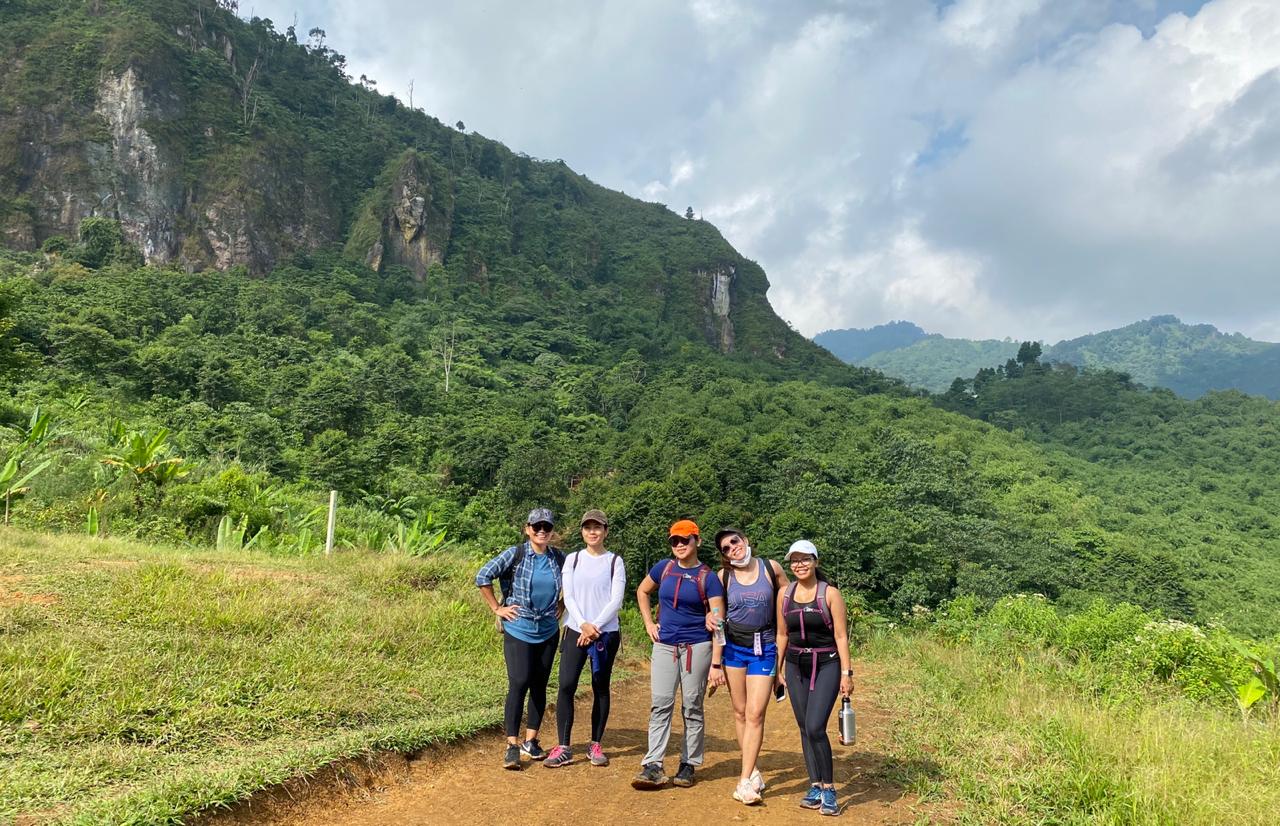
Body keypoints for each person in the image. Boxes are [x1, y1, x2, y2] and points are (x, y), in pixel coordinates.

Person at [631, 519, 727, 790]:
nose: (680, 544)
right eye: (675, 540)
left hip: (697, 647)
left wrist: (716, 663)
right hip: (665, 646)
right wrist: (649, 623)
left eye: (685, 539)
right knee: (660, 704)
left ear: (697, 541)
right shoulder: (664, 568)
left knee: (692, 705)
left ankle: (688, 763)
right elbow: (642, 591)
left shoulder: (708, 578)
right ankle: (653, 764)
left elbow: (718, 622)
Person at [475, 507, 566, 770]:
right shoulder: (515, 554)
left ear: (552, 531)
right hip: (519, 628)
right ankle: (512, 745)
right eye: (536, 527)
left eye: (546, 527)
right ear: (527, 529)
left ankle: (531, 741)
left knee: (539, 685)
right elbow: (482, 575)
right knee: (519, 682)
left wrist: (564, 604)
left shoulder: (559, 558)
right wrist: (497, 608)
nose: (541, 531)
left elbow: (576, 583)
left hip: (548, 629)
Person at [775, 539, 853, 817]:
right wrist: (776, 671)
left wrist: (846, 673)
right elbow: (782, 634)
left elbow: (841, 636)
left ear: (815, 561)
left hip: (827, 664)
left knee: (815, 726)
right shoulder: (784, 594)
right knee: (804, 727)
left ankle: (829, 789)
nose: (799, 564)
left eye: (805, 559)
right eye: (795, 560)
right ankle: (815, 785)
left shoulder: (830, 594)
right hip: (795, 664)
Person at [544, 509, 626, 768]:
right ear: (582, 531)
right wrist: (583, 625)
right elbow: (568, 596)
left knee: (600, 686)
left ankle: (595, 743)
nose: (593, 532)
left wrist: (594, 628)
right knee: (566, 685)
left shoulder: (615, 561)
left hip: (605, 633)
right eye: (588, 527)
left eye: (597, 527)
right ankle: (564, 746)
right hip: (575, 629)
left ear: (605, 531)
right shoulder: (573, 559)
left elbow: (616, 600)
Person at [713, 527, 788, 805]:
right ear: (724, 556)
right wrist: (716, 662)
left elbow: (788, 599)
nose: (733, 548)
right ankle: (753, 770)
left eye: (735, 541)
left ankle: (743, 782)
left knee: (756, 714)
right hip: (734, 649)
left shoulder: (771, 568)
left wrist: (781, 662)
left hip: (764, 648)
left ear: (745, 540)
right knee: (740, 712)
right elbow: (717, 619)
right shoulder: (723, 577)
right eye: (726, 548)